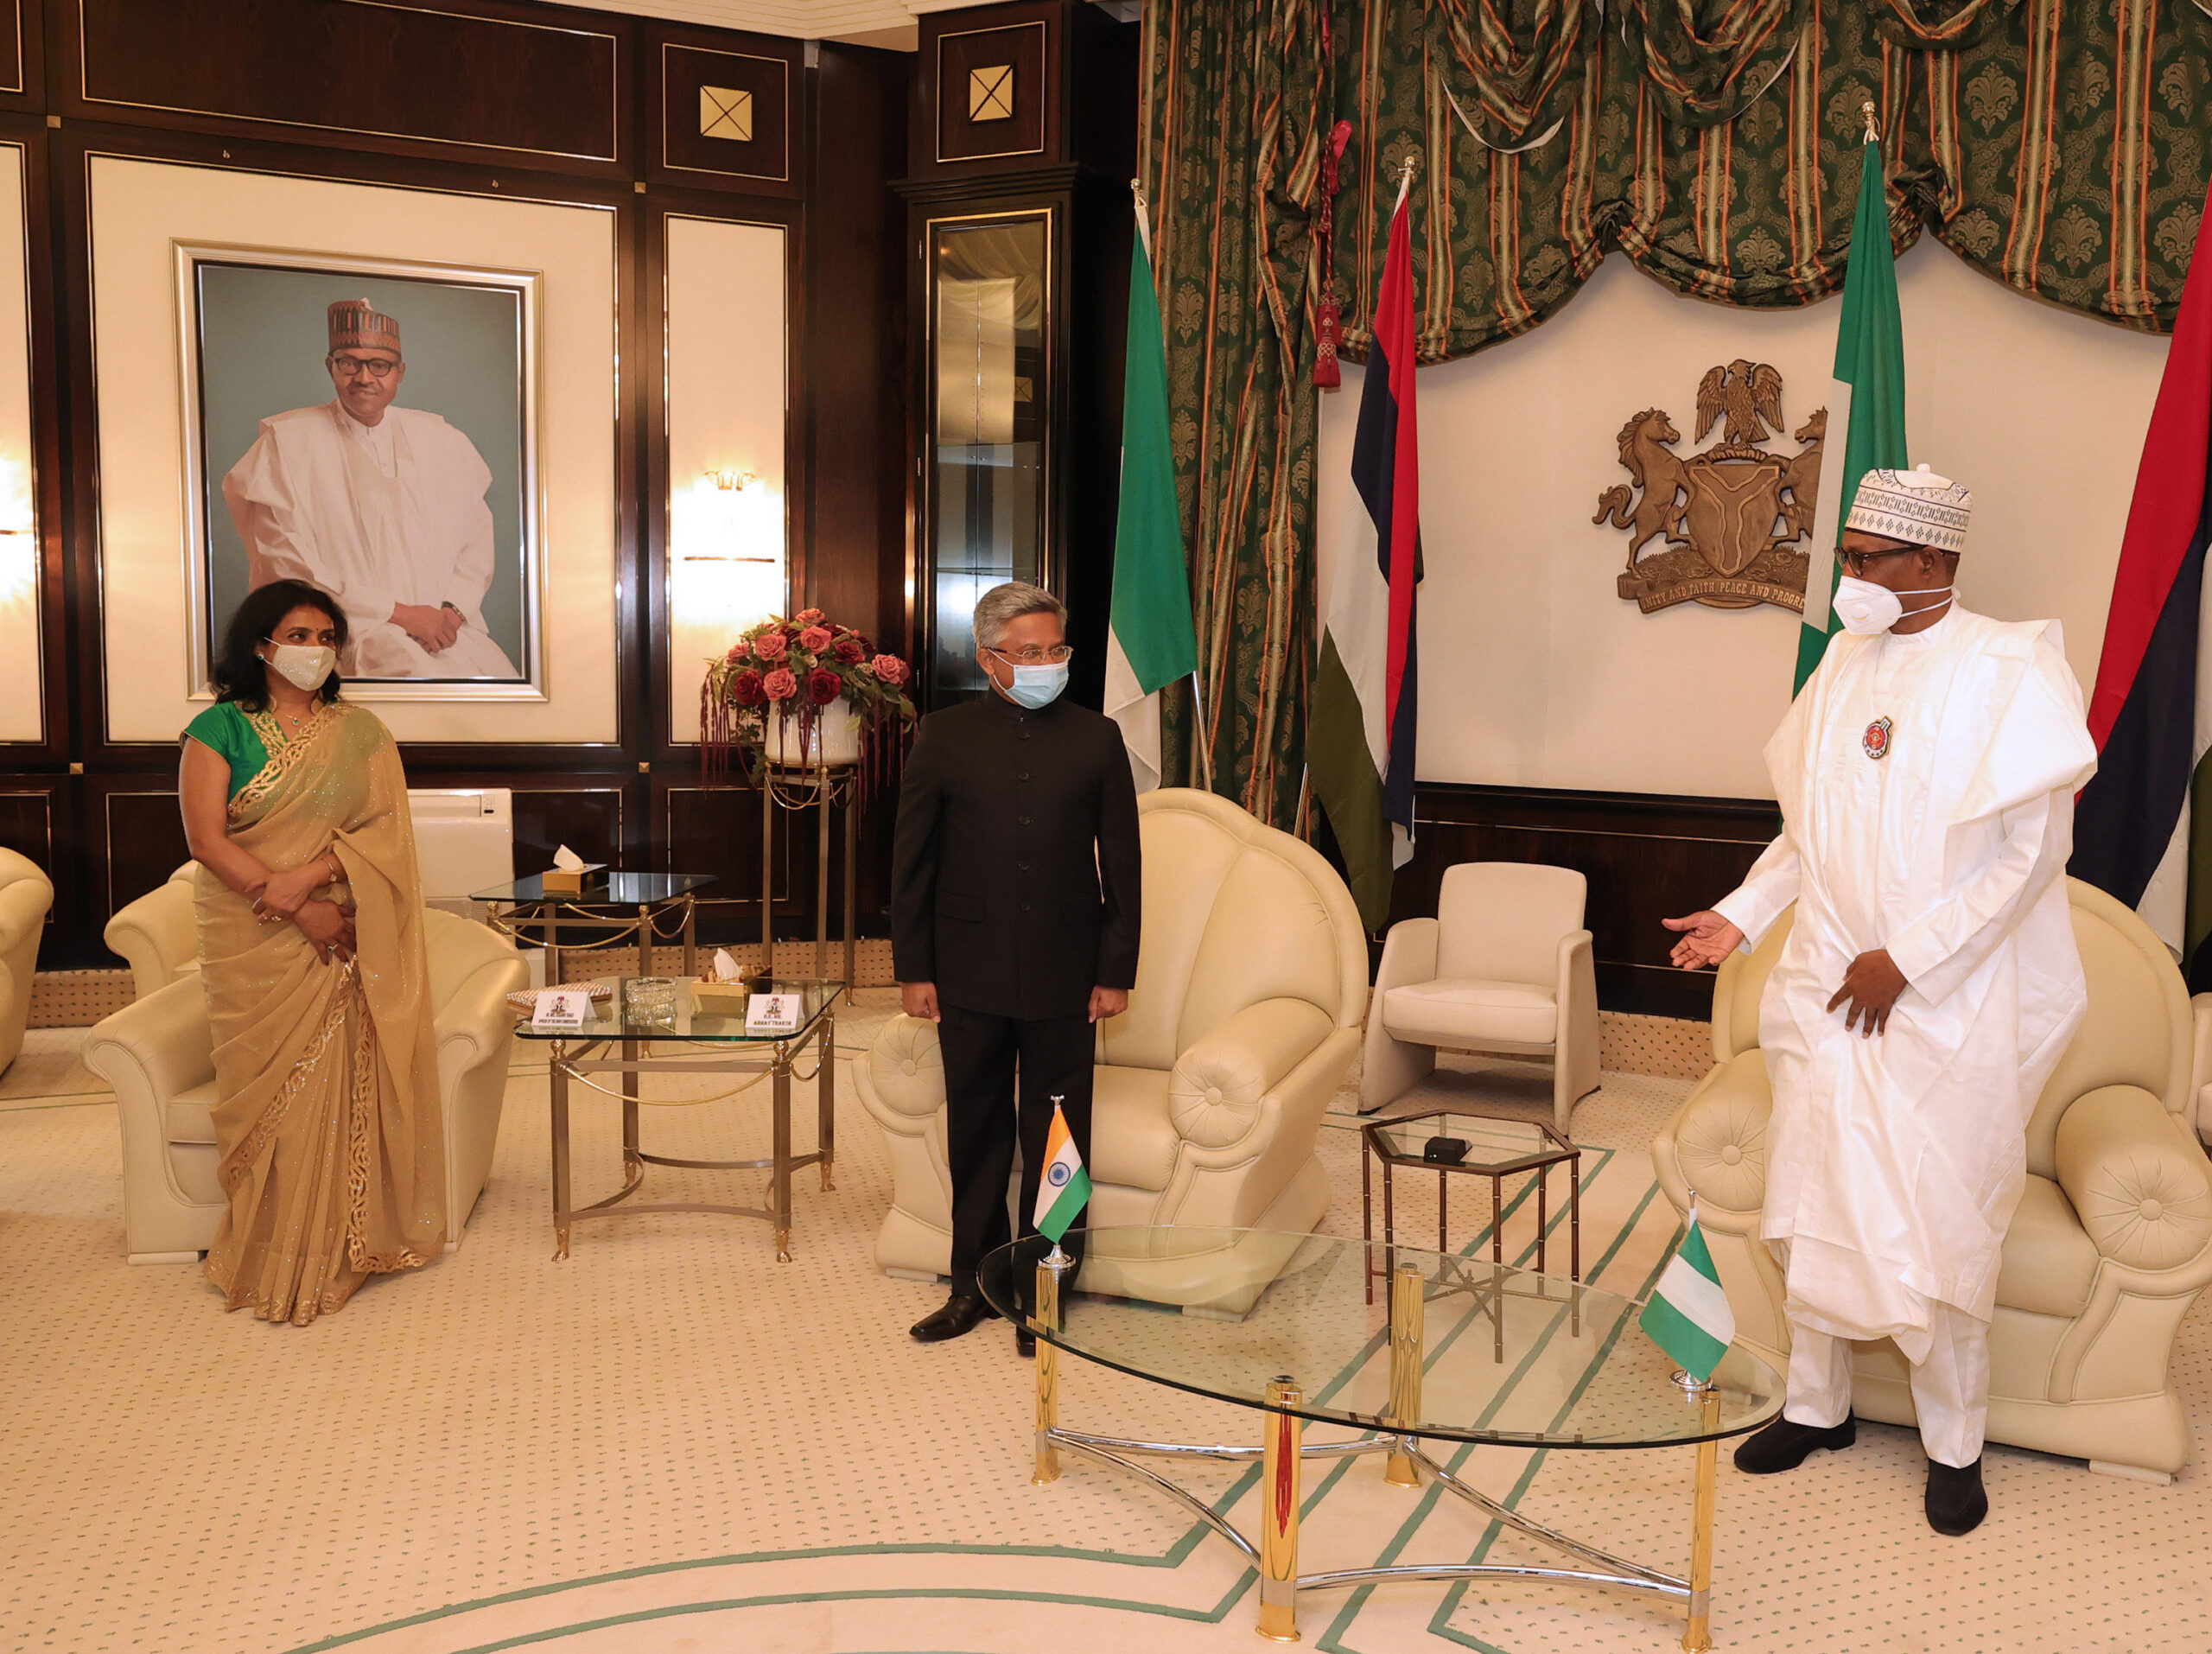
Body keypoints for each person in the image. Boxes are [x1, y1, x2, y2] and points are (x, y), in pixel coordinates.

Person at [1664, 466, 2095, 1536]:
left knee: (1936, 1217)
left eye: (1865, 561)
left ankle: (1955, 1445)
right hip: (1826, 989)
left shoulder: (2010, 669)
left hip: (1942, 1006)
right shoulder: (1843, 668)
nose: (1846, 578)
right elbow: (1803, 836)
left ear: (1934, 562)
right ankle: (1817, 1408)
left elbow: (2031, 853)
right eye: (1845, 558)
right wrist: (1741, 916)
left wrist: (1907, 958)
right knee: (1817, 1200)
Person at [179, 578, 446, 1324]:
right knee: (262, 1087)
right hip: (249, 933)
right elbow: (206, 841)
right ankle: (265, 1249)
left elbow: (385, 836)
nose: (315, 652)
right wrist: (296, 910)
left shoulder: (360, 733)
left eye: (327, 639)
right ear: (261, 644)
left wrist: (313, 878)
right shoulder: (219, 728)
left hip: (333, 916)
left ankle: (334, 1245)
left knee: (332, 1089)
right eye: (299, 637)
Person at [892, 581, 1141, 1356]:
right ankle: (972, 1285)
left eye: (1055, 651)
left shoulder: (1096, 738)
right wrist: (913, 967)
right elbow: (914, 863)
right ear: (989, 658)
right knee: (977, 1129)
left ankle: (1048, 1287)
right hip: (965, 970)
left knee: (1059, 1135)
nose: (1045, 664)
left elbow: (1123, 865)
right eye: (1028, 653)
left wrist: (1116, 969)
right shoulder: (943, 734)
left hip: (1068, 973)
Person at [221, 297, 520, 681]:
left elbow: (476, 538)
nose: (363, 378)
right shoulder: (289, 442)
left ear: (400, 372)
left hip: (444, 632)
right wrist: (400, 615)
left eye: (379, 365)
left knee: (500, 691)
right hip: (348, 632)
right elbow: (286, 562)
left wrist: (452, 613)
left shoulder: (443, 440)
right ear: (331, 367)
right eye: (349, 363)